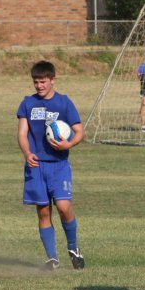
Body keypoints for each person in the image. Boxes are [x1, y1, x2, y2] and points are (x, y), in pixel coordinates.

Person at [17, 61, 86, 270]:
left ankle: (73, 248)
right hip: (36, 166)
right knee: (44, 211)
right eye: (36, 82)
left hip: (59, 165)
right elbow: (22, 133)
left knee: (64, 207)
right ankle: (52, 258)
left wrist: (69, 143)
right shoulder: (27, 103)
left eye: (43, 81)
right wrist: (27, 152)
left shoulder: (64, 103)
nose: (39, 85)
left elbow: (80, 131)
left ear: (52, 80)